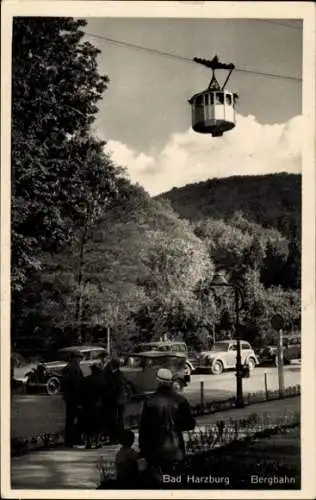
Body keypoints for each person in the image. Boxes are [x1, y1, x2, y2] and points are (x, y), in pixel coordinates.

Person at [138, 368, 196, 482]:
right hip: (175, 447)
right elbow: (190, 424)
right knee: (175, 481)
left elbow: (143, 427)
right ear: (171, 382)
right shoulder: (180, 400)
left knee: (158, 482)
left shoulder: (149, 401)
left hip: (155, 448)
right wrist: (175, 426)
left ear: (158, 382)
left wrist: (143, 448)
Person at [103, 357, 129, 444]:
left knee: (113, 420)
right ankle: (119, 437)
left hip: (114, 401)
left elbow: (113, 389)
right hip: (121, 401)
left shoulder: (114, 376)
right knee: (120, 420)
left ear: (111, 365)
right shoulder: (122, 374)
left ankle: (113, 438)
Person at [80, 363, 106, 448]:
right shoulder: (102, 380)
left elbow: (82, 393)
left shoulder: (86, 380)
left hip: (87, 405)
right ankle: (98, 441)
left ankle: (88, 442)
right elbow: (104, 394)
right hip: (98, 406)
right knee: (98, 424)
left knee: (88, 424)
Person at [62, 350, 84, 447]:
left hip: (71, 397)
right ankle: (73, 439)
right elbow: (76, 385)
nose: (80, 360)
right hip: (74, 397)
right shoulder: (73, 368)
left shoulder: (69, 368)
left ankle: (70, 439)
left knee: (70, 419)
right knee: (74, 419)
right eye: (79, 358)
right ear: (74, 358)